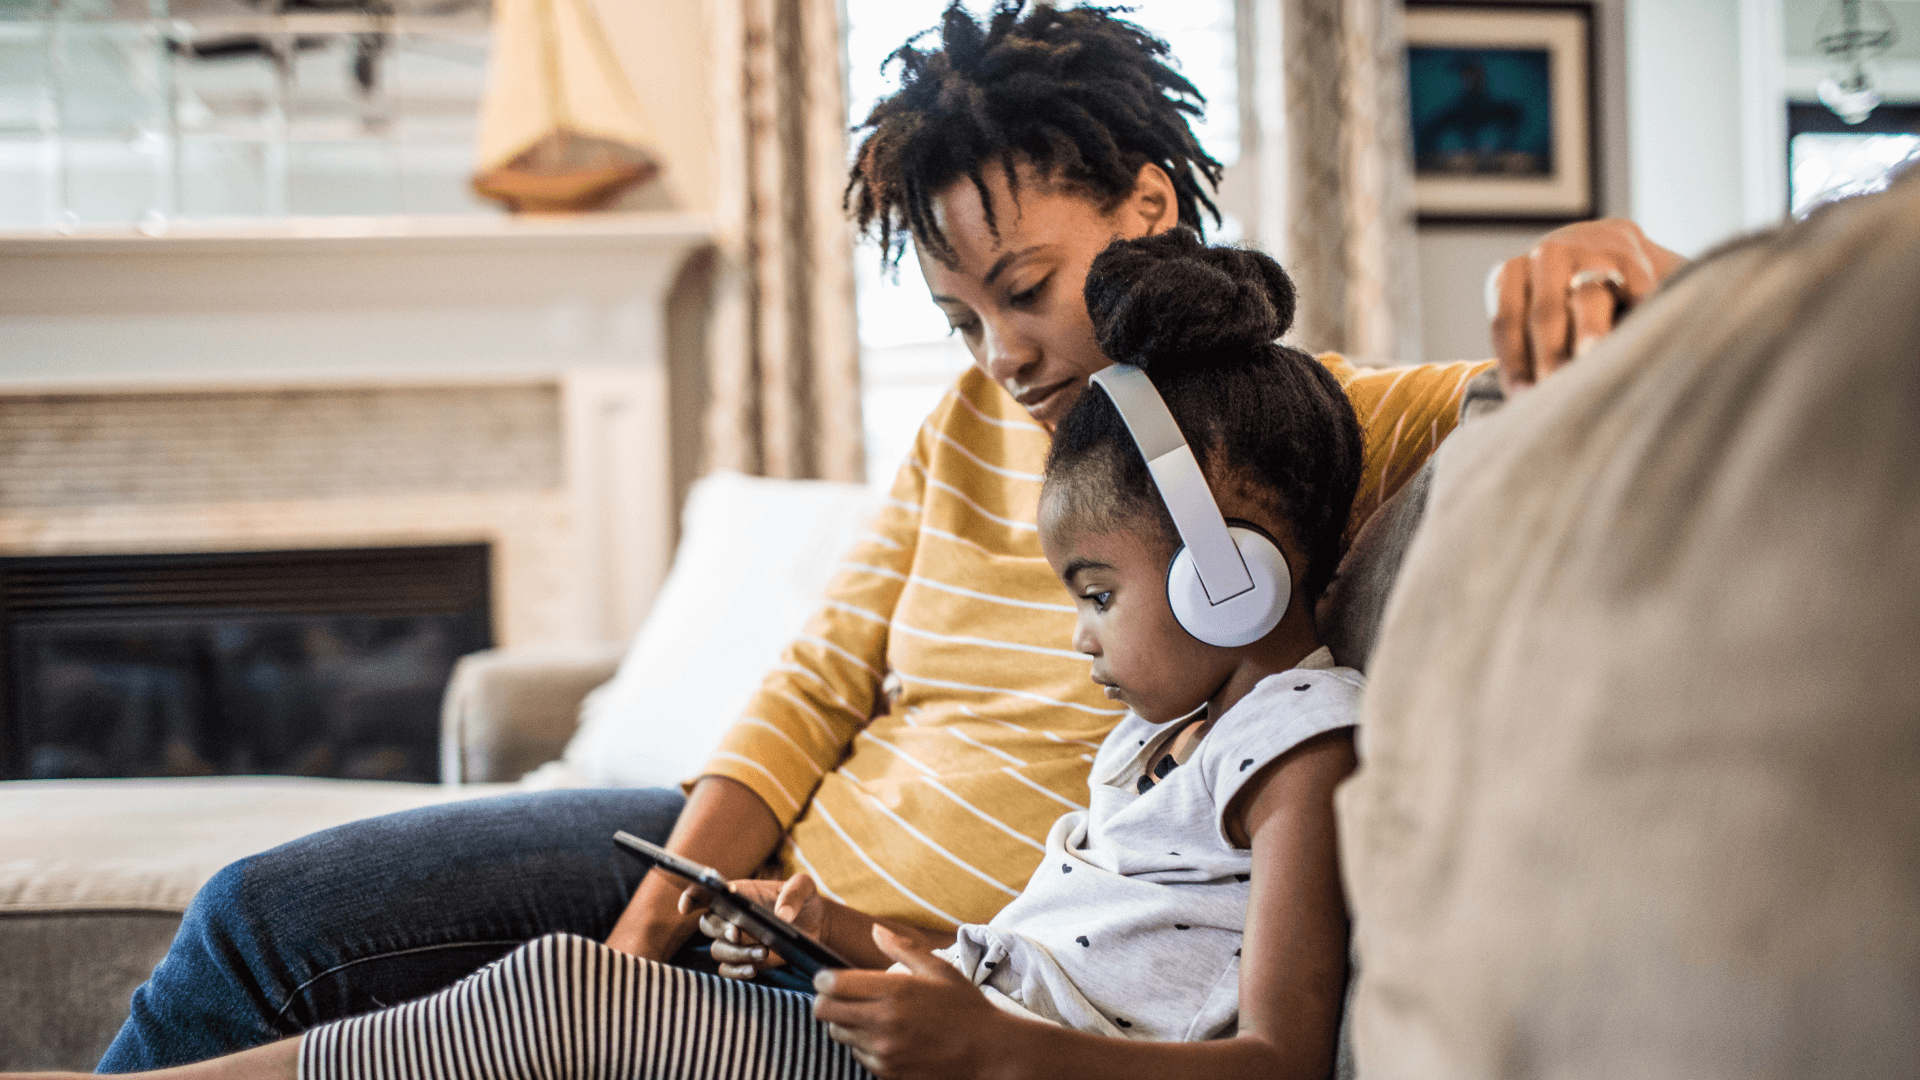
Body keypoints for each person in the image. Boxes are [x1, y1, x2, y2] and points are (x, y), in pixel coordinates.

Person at [95, 3, 1681, 1070]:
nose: (998, 351)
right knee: (261, 918)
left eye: (1025, 289)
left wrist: (1628, 270)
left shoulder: (1304, 439)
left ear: (1144, 211)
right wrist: (662, 911)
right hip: (769, 885)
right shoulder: (970, 426)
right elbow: (819, 676)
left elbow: (1559, 393)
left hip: (932, 978)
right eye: (953, 312)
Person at [34, 229, 1369, 1080]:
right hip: (913, 989)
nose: (1001, 356)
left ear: (1235, 565)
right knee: (318, 927)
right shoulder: (1158, 738)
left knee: (563, 1004)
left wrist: (994, 1051)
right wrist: (843, 925)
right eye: (963, 319)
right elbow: (1056, 945)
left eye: (1092, 594)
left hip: (976, 1059)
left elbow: (1277, 1056)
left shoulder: (1293, 742)